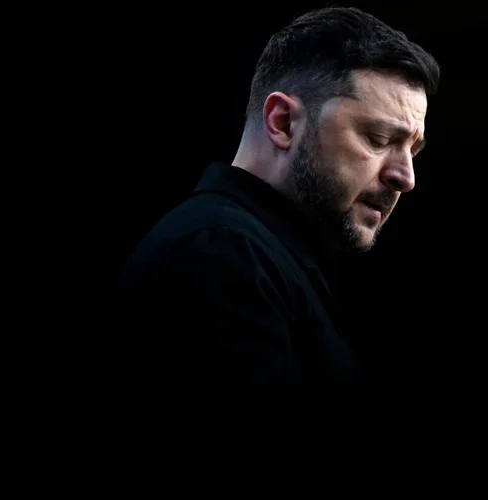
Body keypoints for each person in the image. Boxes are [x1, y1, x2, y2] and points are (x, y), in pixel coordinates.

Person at [113, 7, 439, 395]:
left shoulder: (265, 256)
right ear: (283, 122)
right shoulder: (220, 253)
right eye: (379, 140)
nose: (406, 178)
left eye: (412, 152)